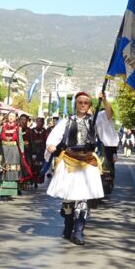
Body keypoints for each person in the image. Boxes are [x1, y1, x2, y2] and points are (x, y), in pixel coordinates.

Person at [45, 91, 104, 246]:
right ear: (76, 104)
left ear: (90, 105)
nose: (83, 105)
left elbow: (109, 119)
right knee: (69, 199)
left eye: (86, 103)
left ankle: (79, 231)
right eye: (80, 102)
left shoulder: (95, 121)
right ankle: (68, 225)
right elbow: (54, 137)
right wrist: (51, 145)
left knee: (83, 200)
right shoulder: (66, 121)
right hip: (69, 160)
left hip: (87, 161)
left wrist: (105, 102)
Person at [94, 92, 119, 195]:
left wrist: (104, 100)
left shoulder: (105, 116)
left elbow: (108, 111)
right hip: (96, 145)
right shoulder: (96, 117)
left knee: (107, 168)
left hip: (108, 147)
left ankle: (106, 184)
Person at [0, 112, 22, 197]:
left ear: (16, 118)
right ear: (7, 117)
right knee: (3, 169)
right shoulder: (2, 127)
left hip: (14, 150)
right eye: (10, 116)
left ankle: (10, 191)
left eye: (13, 116)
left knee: (12, 169)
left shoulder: (18, 128)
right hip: (4, 149)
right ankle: (3, 191)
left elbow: (20, 141)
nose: (11, 117)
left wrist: (22, 153)